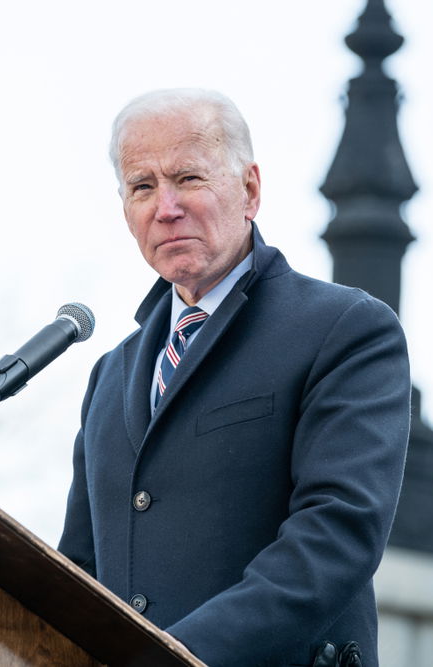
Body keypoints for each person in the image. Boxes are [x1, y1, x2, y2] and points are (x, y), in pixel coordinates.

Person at [58, 89, 409, 667]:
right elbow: (78, 571)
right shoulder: (111, 376)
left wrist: (177, 656)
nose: (164, 207)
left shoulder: (345, 330)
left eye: (188, 178)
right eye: (142, 187)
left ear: (249, 190)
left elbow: (335, 537)